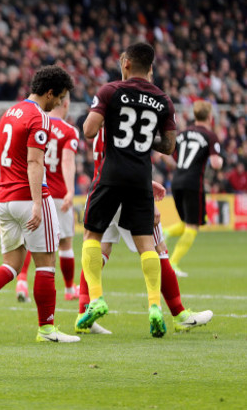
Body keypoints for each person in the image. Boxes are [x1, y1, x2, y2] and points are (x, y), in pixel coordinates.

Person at [0, 65, 80, 343]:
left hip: (4, 198)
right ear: (49, 93)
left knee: (11, 265)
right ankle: (47, 329)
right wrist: (38, 204)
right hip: (28, 197)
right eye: (59, 98)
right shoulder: (40, 117)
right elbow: (35, 162)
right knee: (46, 263)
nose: (59, 103)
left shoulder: (9, 113)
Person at [78, 42, 177, 338]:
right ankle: (154, 307)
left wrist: (112, 123)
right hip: (140, 176)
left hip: (111, 174)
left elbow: (89, 130)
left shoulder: (110, 91)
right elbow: (169, 146)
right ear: (151, 67)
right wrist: (143, 142)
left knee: (92, 235)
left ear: (125, 63)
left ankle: (95, 298)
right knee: (147, 244)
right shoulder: (163, 100)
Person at [75, 125, 212, 335]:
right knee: (158, 248)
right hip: (130, 192)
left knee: (98, 249)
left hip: (100, 190)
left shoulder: (103, 121)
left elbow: (113, 159)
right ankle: (179, 314)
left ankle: (84, 312)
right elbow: (130, 161)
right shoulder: (128, 119)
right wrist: (149, 195)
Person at [14, 91, 79, 303]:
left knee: (31, 240)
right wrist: (70, 190)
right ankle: (70, 289)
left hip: (34, 191)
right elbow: (67, 161)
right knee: (65, 244)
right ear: (66, 104)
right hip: (58, 194)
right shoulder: (69, 131)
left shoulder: (34, 123)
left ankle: (22, 280)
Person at [163, 100, 223, 277]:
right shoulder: (210, 136)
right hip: (193, 183)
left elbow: (167, 155)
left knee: (186, 221)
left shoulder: (182, 134)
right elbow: (215, 163)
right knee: (193, 225)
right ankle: (173, 263)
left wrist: (180, 167)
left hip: (177, 181)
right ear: (210, 117)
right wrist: (221, 161)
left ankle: (165, 232)